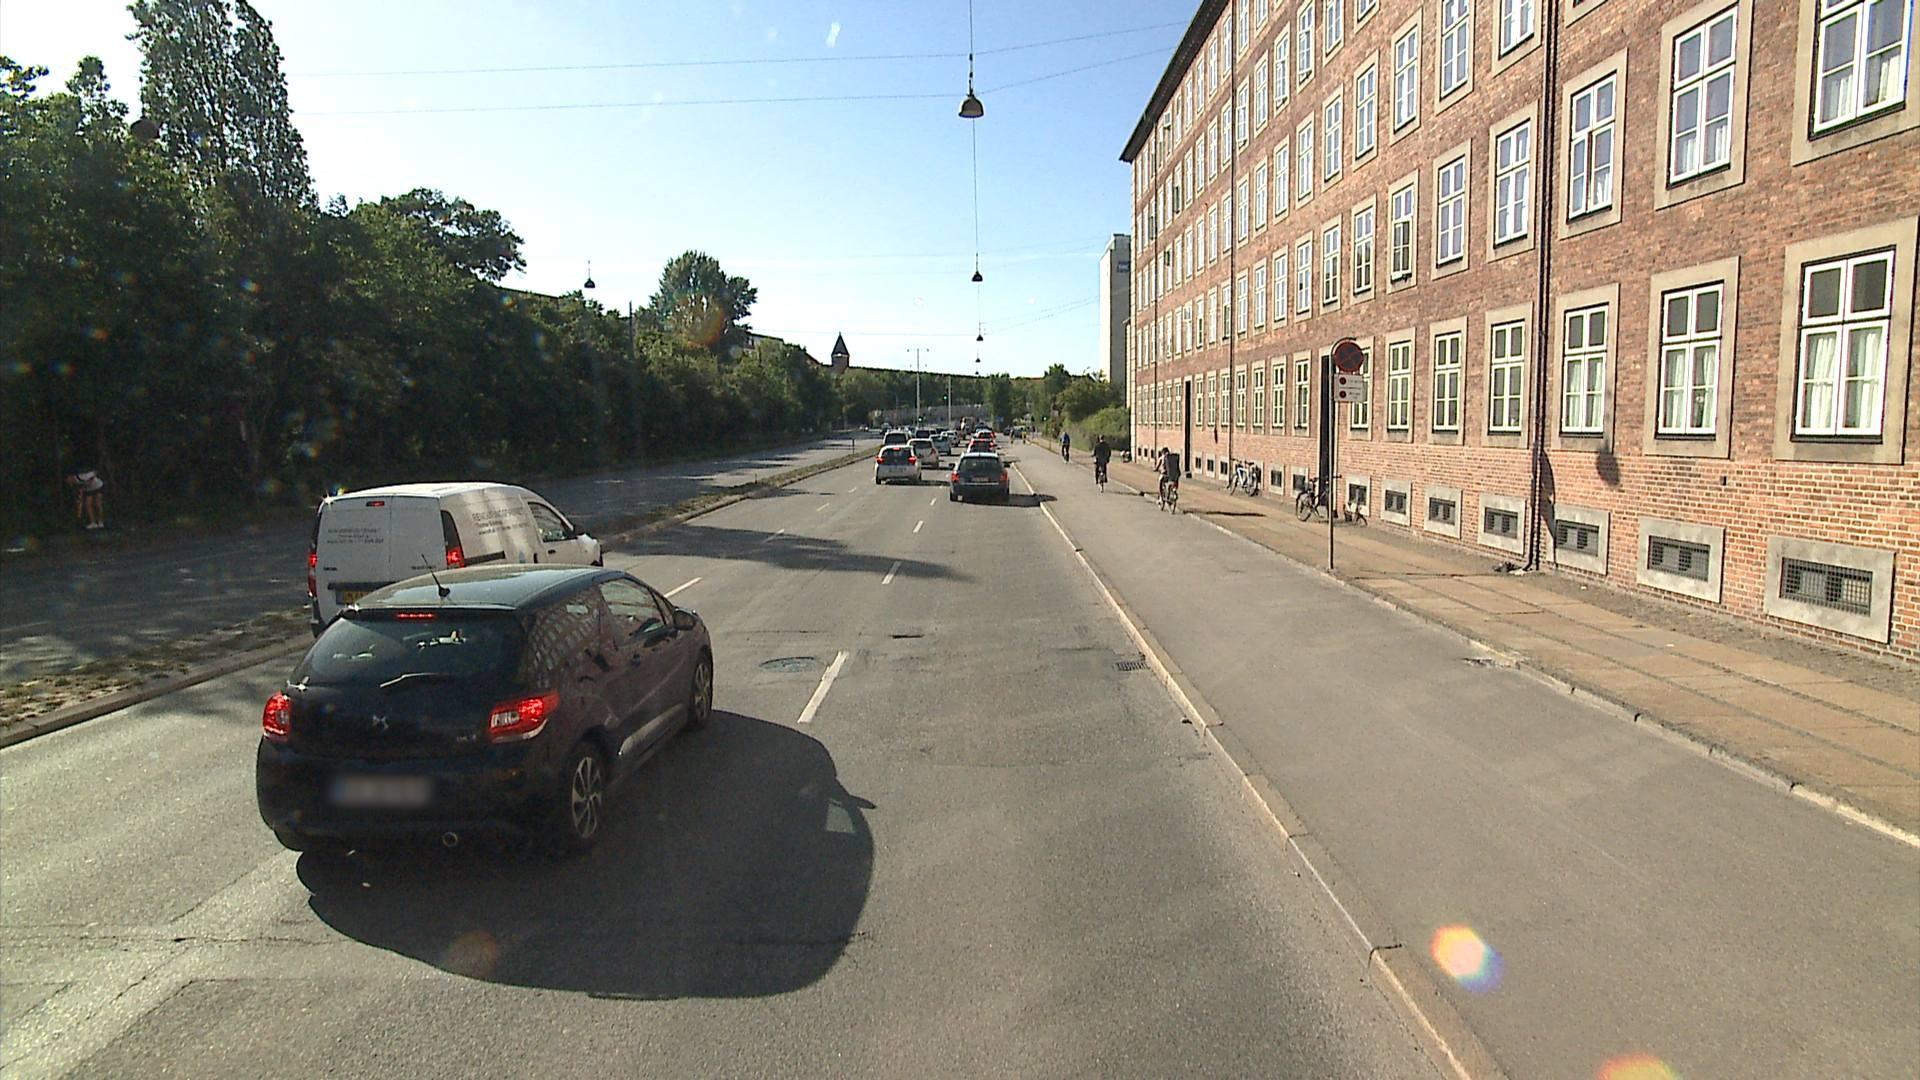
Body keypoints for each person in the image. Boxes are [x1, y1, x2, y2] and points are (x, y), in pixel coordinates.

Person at [66, 466, 106, 530]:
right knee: (87, 505)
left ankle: (100, 522)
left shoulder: (81, 476)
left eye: (68, 479)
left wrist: (88, 482)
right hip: (89, 489)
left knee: (98, 504)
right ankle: (93, 523)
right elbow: (80, 490)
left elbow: (94, 473)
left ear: (71, 477)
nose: (67, 481)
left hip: (98, 486)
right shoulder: (75, 483)